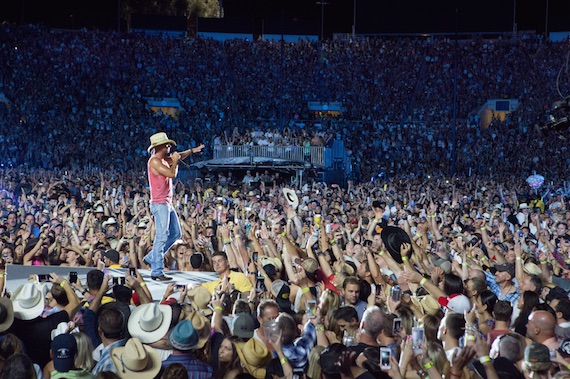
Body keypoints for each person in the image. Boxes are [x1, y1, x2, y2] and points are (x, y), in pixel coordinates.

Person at [145, 132, 204, 281]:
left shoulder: (163, 159)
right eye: (167, 145)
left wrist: (191, 151)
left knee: (176, 234)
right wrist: (176, 161)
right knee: (162, 236)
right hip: (160, 204)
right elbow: (172, 174)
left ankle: (152, 257)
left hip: (167, 203)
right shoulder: (155, 162)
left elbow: (178, 156)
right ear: (160, 147)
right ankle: (156, 271)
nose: (170, 146)